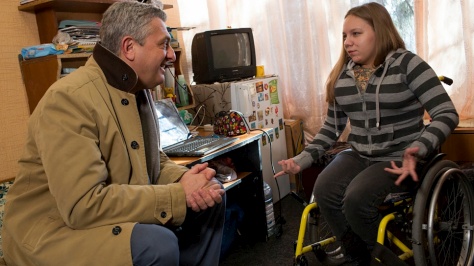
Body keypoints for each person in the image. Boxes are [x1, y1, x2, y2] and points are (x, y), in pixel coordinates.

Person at [2, 1, 226, 265]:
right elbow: (83, 205)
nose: (172, 56)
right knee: (157, 245)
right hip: (51, 232)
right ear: (129, 47)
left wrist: (189, 182)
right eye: (164, 44)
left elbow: (153, 163)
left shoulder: (137, 90)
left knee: (213, 196)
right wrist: (179, 194)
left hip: (89, 216)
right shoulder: (68, 99)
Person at [275, 2, 458, 265]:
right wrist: (300, 160)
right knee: (324, 189)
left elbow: (446, 113)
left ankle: (382, 260)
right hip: (359, 154)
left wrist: (420, 146)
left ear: (379, 31)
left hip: (400, 156)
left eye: (356, 34)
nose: (348, 42)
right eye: (344, 36)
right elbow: (330, 130)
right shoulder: (342, 76)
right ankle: (358, 254)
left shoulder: (408, 64)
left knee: (356, 199)